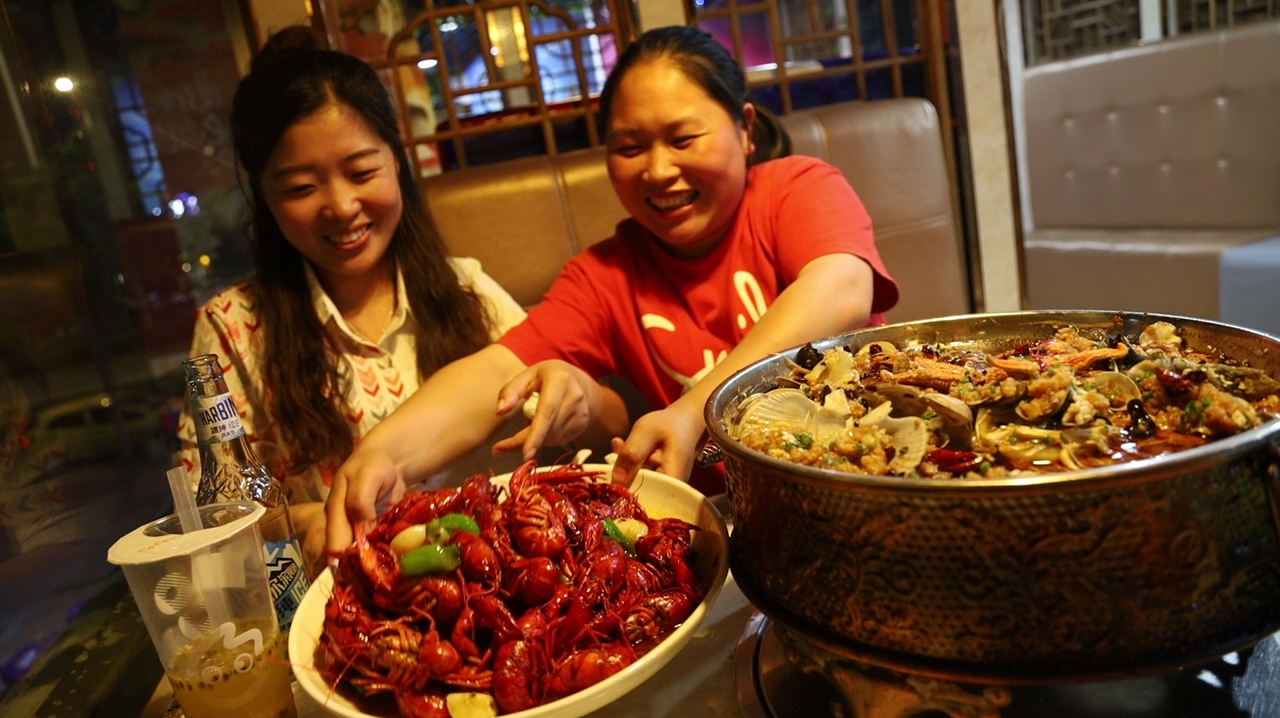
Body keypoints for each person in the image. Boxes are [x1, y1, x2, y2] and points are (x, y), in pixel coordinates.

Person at [325, 25, 900, 554]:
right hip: (735, 535)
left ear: (745, 129)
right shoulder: (605, 275)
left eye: (683, 138)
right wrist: (382, 451)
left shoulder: (794, 190)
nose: (656, 169)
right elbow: (494, 373)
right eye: (629, 148)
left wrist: (693, 410)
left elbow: (841, 288)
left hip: (872, 492)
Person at [173, 26, 552, 573]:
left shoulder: (465, 288)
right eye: (302, 187)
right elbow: (210, 515)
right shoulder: (231, 328)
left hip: (497, 583)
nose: (341, 205)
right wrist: (303, 521)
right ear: (264, 196)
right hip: (350, 600)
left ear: (396, 161)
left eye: (361, 171)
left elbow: (565, 406)